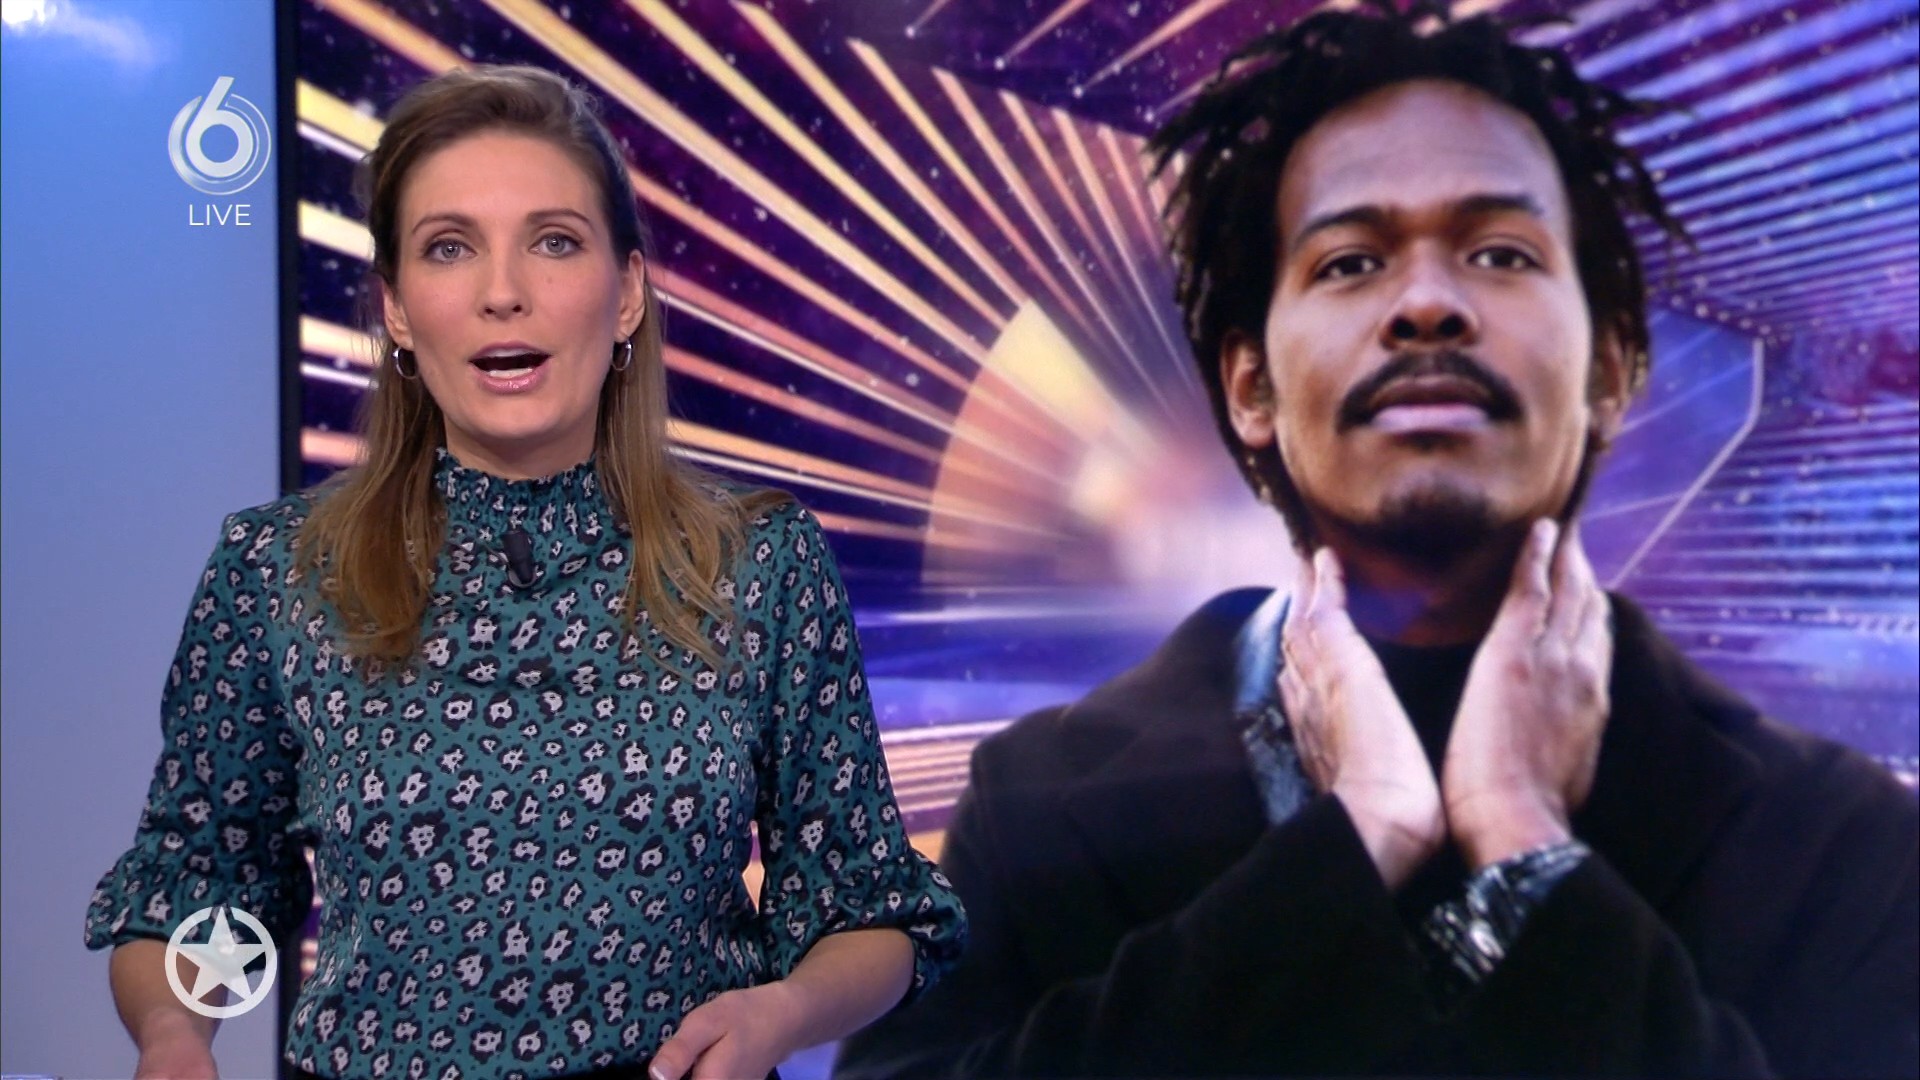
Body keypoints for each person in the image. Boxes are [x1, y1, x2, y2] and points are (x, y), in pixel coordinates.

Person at [835, 4, 1918, 1078]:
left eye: (1500, 253)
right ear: (1251, 387)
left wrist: (1526, 850)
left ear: (1608, 370)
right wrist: (1348, 854)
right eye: (1351, 262)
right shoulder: (1034, 801)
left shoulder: (1841, 841)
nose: (1429, 304)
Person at [87, 64, 964, 1080]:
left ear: (627, 293)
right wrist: (174, 1037)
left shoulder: (761, 564)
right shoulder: (277, 572)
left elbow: (868, 906)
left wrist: (787, 1010)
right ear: (398, 310)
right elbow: (200, 888)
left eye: (553, 241)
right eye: (449, 248)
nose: (503, 293)